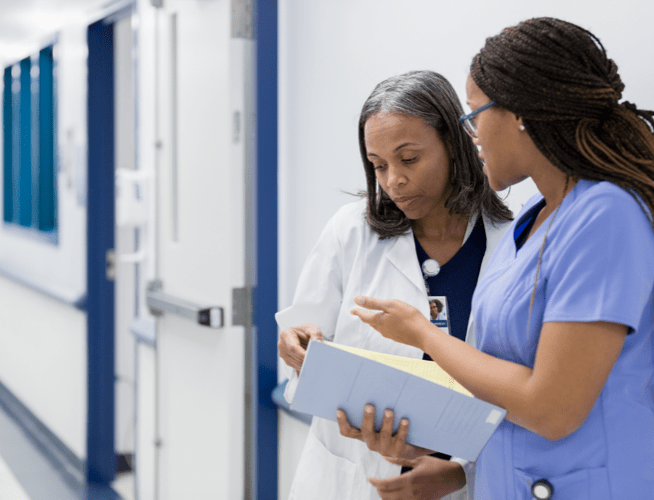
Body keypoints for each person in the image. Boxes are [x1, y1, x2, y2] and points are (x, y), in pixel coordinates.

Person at [343, 18, 654, 500]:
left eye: (474, 113)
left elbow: (551, 408)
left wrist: (421, 332)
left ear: (520, 114)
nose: (472, 134)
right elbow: (499, 379)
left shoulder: (606, 215)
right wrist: (458, 471)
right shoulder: (532, 216)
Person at [276, 70, 512, 500]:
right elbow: (308, 343)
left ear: (454, 145)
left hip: (463, 480)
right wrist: (296, 346)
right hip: (353, 473)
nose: (393, 181)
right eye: (378, 165)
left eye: (409, 159)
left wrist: (460, 472)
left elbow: (519, 388)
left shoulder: (509, 243)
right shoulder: (351, 231)